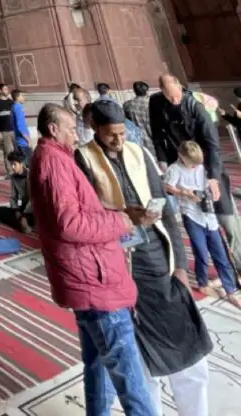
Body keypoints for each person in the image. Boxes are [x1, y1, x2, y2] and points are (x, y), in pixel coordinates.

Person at [78, 99, 213, 416]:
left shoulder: (140, 153)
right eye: (111, 134)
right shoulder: (83, 159)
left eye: (122, 132)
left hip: (159, 262)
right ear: (95, 129)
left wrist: (180, 264)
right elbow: (85, 216)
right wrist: (123, 215)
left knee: (189, 354)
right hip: (122, 269)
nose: (119, 140)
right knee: (139, 361)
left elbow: (166, 208)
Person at [29, 103, 158, 416]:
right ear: (52, 130)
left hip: (86, 276)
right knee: (131, 381)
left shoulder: (55, 157)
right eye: (71, 129)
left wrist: (116, 215)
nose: (76, 135)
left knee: (99, 367)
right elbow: (70, 224)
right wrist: (122, 223)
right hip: (94, 281)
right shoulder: (54, 162)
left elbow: (79, 212)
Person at [150, 73, 241, 269]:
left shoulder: (196, 106)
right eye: (169, 96)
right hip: (183, 165)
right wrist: (164, 163)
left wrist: (213, 177)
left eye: (176, 96)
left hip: (208, 164)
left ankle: (239, 262)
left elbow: (212, 145)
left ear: (180, 87)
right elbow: (157, 135)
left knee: (225, 215)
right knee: (199, 217)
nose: (174, 100)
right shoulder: (156, 103)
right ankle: (222, 264)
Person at [164, 141, 239, 303]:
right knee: (201, 250)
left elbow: (212, 179)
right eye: (192, 163)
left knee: (219, 251)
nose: (195, 167)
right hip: (191, 214)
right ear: (181, 157)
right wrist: (183, 192)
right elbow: (167, 187)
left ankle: (230, 289)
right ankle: (203, 282)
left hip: (208, 213)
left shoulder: (202, 167)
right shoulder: (175, 169)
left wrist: (214, 186)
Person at [0, 150, 33, 232]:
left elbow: (33, 200)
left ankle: (24, 222)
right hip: (22, 207)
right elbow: (13, 197)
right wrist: (16, 210)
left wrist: (24, 215)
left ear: (21, 164)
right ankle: (23, 224)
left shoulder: (30, 176)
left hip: (32, 208)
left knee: (31, 216)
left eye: (14, 164)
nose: (12, 167)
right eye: (11, 164)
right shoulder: (14, 178)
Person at [124, 81, 155, 154]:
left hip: (138, 141)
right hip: (155, 140)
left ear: (134, 91)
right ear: (146, 90)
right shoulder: (152, 102)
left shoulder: (127, 105)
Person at [10, 88, 32, 161]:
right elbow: (20, 127)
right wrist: (27, 139)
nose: (23, 98)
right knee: (29, 163)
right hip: (23, 141)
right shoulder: (18, 108)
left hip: (20, 140)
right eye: (22, 96)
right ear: (17, 98)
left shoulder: (14, 107)